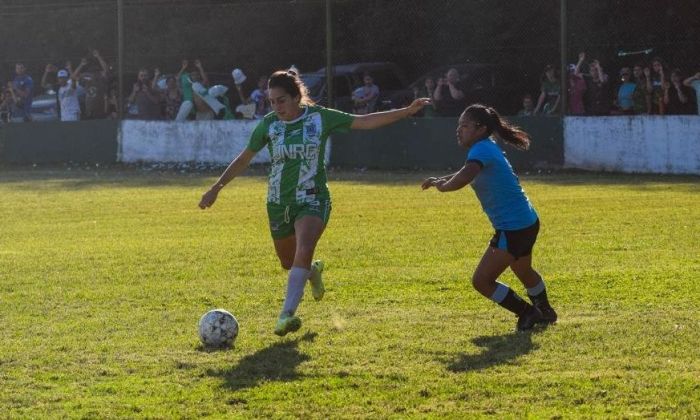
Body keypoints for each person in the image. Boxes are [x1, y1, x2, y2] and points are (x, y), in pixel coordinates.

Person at [198, 70, 430, 336]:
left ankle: (286, 316)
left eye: (282, 100)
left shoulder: (320, 118)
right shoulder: (269, 125)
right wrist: (216, 187)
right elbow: (243, 158)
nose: (277, 106)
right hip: (278, 201)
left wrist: (406, 111)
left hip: (313, 197)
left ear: (297, 96)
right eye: (272, 101)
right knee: (289, 262)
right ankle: (312, 272)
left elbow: (364, 121)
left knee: (305, 246)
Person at [421, 104, 557, 331]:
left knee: (482, 281)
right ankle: (545, 310)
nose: (459, 130)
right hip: (527, 220)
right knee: (523, 270)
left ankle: (528, 312)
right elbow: (466, 171)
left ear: (481, 128)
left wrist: (443, 187)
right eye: (459, 125)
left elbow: (465, 176)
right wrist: (441, 180)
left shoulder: (481, 151)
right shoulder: (485, 147)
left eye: (464, 126)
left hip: (512, 227)